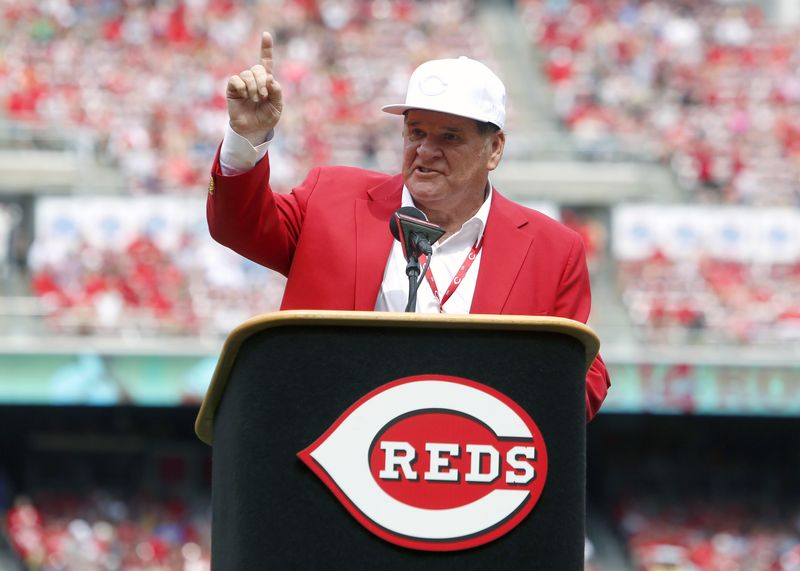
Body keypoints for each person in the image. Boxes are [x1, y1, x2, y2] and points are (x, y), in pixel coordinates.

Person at [207, 32, 610, 419]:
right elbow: (238, 225)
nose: (426, 150)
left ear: (494, 149)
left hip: (470, 469)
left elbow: (585, 376)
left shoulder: (552, 249)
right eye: (416, 132)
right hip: (323, 458)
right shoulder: (330, 198)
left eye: (450, 137)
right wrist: (247, 136)